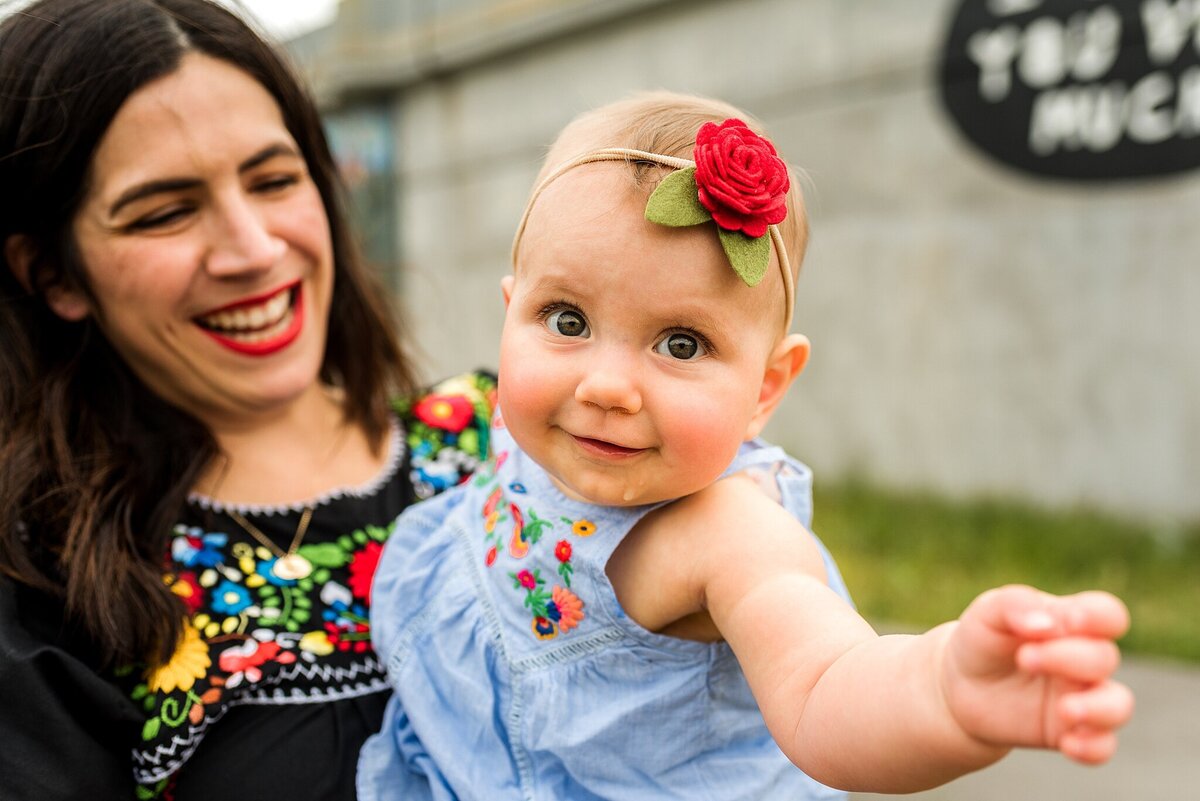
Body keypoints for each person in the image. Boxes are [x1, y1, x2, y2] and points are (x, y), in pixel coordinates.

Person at [357, 92, 1134, 800]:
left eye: (682, 343)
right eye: (566, 320)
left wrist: (941, 694)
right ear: (511, 313)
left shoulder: (727, 532)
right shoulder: (527, 426)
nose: (605, 385)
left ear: (766, 387)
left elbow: (827, 681)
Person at [0, 1, 495, 799]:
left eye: (273, 179)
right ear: (53, 274)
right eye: (165, 212)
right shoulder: (42, 585)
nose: (255, 249)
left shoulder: (516, 446)